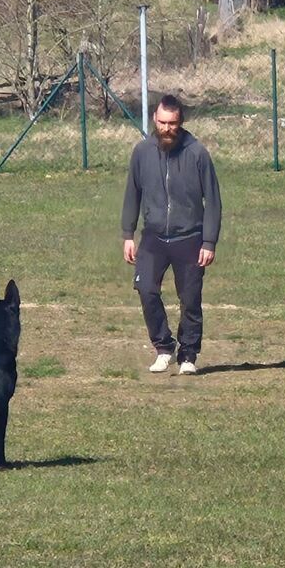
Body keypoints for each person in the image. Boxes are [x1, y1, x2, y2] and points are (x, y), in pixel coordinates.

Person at [121, 94, 222, 375]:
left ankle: (188, 355)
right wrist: (128, 233)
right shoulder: (142, 152)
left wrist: (209, 241)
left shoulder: (197, 154)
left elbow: (213, 201)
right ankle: (163, 347)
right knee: (146, 288)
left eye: (173, 123)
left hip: (189, 237)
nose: (167, 129)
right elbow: (132, 194)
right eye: (163, 123)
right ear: (155, 119)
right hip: (153, 237)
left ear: (181, 121)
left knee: (190, 299)